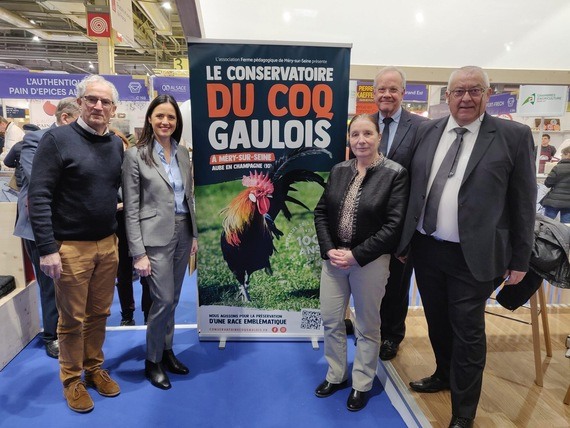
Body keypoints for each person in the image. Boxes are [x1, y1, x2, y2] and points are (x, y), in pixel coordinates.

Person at [397, 66, 536, 428]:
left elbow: (523, 201)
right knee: (437, 321)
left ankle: (464, 412)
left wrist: (521, 256)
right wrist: (403, 241)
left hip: (474, 256)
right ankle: (444, 374)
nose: (466, 98)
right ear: (447, 96)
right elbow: (414, 188)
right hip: (428, 249)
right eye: (459, 91)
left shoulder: (513, 136)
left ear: (488, 95)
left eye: (475, 91)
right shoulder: (428, 131)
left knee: (468, 331)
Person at [28, 75, 124, 413]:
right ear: (80, 102)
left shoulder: (115, 144)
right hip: (69, 248)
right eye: (92, 100)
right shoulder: (56, 140)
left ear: (113, 109)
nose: (99, 106)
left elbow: (110, 189)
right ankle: (72, 380)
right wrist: (47, 248)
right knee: (71, 319)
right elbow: (37, 196)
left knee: (100, 314)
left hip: (107, 244)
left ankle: (94, 367)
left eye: (105, 102)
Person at [313, 114, 408, 411]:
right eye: (355, 134)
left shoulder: (395, 173)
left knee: (367, 326)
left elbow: (393, 226)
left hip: (370, 263)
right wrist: (330, 250)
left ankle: (362, 383)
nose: (361, 140)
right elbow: (320, 213)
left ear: (379, 137)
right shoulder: (339, 170)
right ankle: (336, 374)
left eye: (367, 133)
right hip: (334, 262)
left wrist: (356, 254)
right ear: (349, 139)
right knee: (330, 319)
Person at [122, 94, 198, 390]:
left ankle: (167, 352)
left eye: (171, 117)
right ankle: (152, 360)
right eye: (160, 116)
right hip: (153, 238)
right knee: (162, 299)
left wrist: (193, 235)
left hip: (182, 231)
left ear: (177, 122)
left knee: (174, 299)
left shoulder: (182, 153)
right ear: (150, 119)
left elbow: (187, 196)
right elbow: (131, 208)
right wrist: (137, 252)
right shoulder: (135, 155)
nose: (165, 122)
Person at [13, 98, 80, 359]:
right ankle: (52, 335)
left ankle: (70, 331)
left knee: (71, 282)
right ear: (65, 118)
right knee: (49, 283)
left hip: (68, 225)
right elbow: (41, 181)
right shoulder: (35, 141)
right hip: (39, 227)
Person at [372, 66, 428, 361]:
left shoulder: (421, 127)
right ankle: (370, 329)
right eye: (381, 88)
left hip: (401, 223)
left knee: (396, 283)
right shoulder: (362, 123)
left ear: (403, 93)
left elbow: (422, 178)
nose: (387, 94)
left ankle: (392, 336)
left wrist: (409, 231)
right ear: (374, 92)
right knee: (368, 281)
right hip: (365, 223)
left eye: (393, 89)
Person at [541, 145, 570, 223]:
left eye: (562, 154)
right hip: (568, 204)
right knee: (566, 226)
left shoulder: (557, 167)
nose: (561, 156)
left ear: (567, 154)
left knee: (547, 224)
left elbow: (548, 183)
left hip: (553, 201)